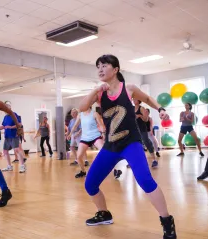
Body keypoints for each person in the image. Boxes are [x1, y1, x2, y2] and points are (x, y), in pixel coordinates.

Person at [79, 54, 176, 238]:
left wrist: (160, 109)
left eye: (104, 65)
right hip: (110, 146)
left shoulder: (128, 88)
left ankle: (167, 221)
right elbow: (82, 107)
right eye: (98, 66)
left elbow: (147, 98)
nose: (100, 69)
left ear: (115, 69)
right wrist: (94, 91)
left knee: (146, 181)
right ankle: (104, 213)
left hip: (131, 143)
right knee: (90, 183)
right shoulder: (99, 94)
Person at [67, 107, 105, 178]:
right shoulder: (80, 115)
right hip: (85, 138)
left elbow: (101, 124)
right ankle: (83, 171)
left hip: (95, 136)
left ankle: (116, 170)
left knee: (105, 152)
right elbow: (75, 126)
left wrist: (103, 133)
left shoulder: (94, 114)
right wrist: (70, 134)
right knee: (79, 157)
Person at [0, 103, 26, 173]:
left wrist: (11, 127)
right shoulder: (5, 117)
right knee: (5, 151)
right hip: (7, 136)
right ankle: (9, 166)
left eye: (5, 109)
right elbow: (3, 126)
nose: (4, 111)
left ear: (9, 109)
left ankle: (22, 166)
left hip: (14, 135)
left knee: (17, 149)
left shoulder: (14, 115)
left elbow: (20, 124)